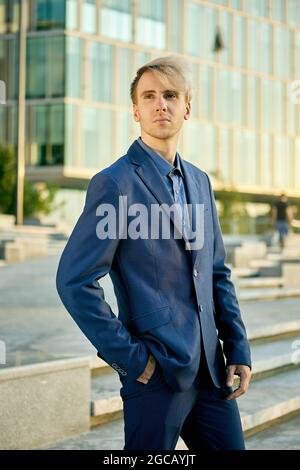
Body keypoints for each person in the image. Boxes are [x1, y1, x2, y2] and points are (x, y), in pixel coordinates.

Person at [56, 56, 251, 450]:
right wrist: (131, 360)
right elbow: (74, 280)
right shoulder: (115, 183)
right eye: (149, 96)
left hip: (211, 375)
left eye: (170, 95)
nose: (160, 104)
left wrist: (238, 347)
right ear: (136, 110)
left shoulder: (200, 182)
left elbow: (216, 272)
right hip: (157, 375)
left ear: (187, 107)